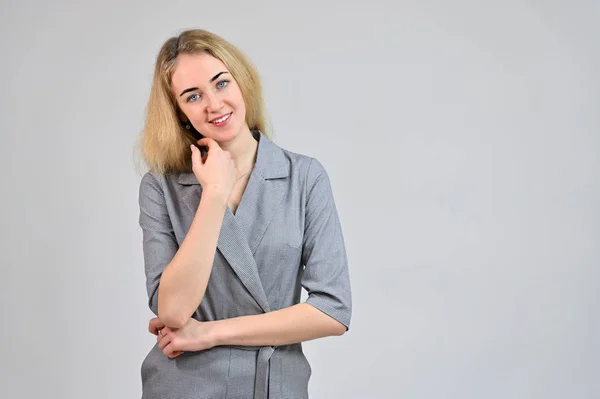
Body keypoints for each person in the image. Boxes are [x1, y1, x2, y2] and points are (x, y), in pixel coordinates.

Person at [137, 28, 352, 399]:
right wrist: (214, 194)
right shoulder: (161, 187)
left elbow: (332, 311)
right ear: (180, 113)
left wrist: (208, 333)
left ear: (242, 82)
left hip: (275, 385)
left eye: (221, 83)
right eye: (193, 96)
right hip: (186, 386)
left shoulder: (304, 177)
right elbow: (172, 311)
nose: (214, 104)